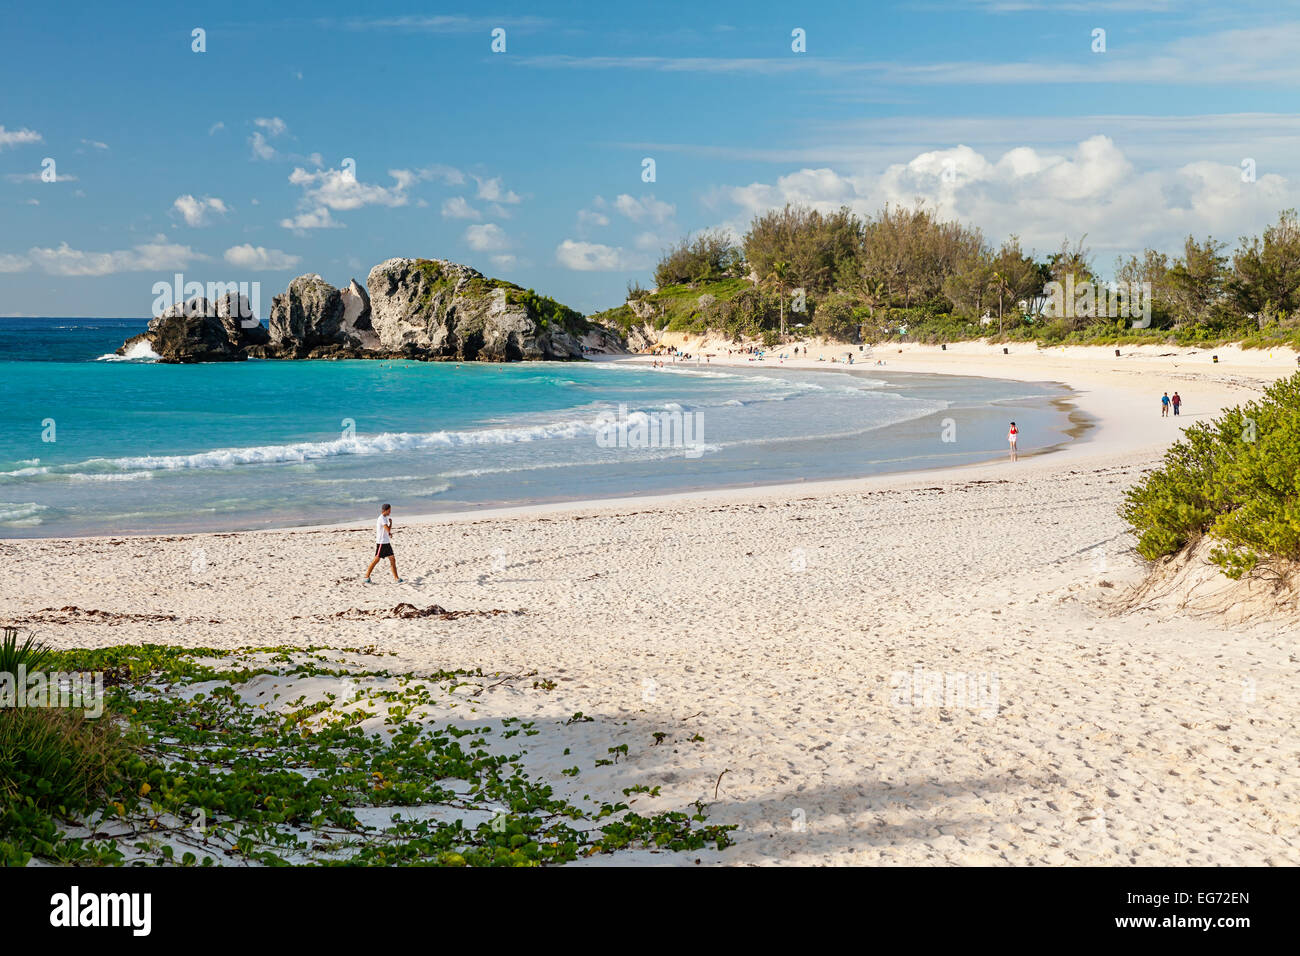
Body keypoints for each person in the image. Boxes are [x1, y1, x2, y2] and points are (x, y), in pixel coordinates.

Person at [364, 503, 402, 583]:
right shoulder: (382, 518)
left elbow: (386, 530)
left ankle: (396, 578)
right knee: (376, 560)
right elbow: (387, 529)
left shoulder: (385, 518)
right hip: (381, 543)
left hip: (386, 543)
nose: (390, 512)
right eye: (389, 510)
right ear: (385, 510)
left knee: (392, 559)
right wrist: (390, 524)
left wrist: (389, 531)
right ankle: (366, 576)